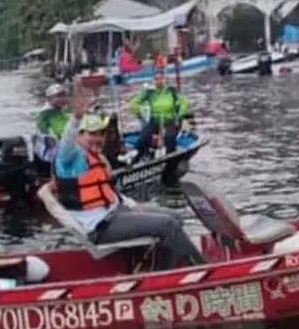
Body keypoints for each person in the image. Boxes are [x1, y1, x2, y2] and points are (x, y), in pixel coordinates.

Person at [53, 89, 205, 270]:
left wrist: (131, 204)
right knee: (167, 224)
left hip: (115, 212)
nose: (98, 139)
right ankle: (199, 268)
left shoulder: (96, 158)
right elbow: (66, 144)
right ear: (79, 135)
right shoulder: (69, 160)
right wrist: (76, 118)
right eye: (91, 134)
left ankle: (164, 267)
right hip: (100, 227)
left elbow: (109, 191)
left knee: (175, 216)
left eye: (101, 134)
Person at [128, 69, 188, 161]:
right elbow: (134, 102)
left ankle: (171, 158)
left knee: (169, 137)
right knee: (143, 137)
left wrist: (180, 114)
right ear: (153, 81)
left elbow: (184, 101)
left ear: (165, 80)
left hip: (169, 120)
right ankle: (137, 157)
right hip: (155, 119)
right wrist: (137, 111)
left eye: (161, 79)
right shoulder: (149, 92)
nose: (159, 81)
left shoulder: (171, 91)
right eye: (156, 79)